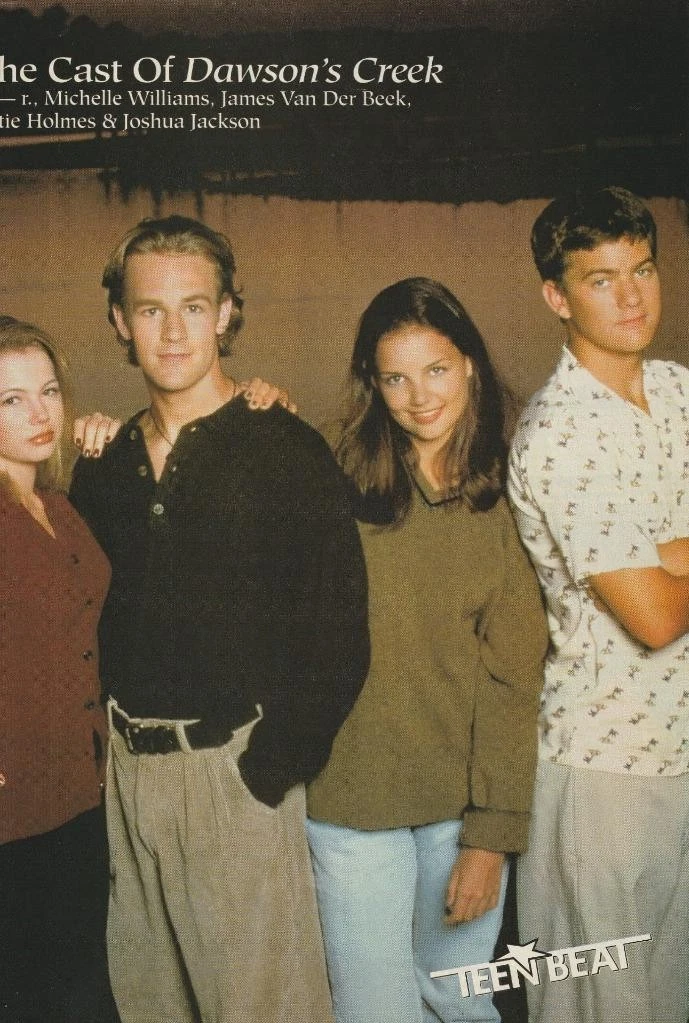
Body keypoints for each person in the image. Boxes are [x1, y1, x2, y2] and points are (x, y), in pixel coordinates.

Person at [68, 214, 370, 1023]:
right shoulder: (104, 466)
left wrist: (267, 770)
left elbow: (338, 631)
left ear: (227, 313)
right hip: (127, 779)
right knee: (149, 1005)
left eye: (194, 307)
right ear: (119, 321)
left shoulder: (284, 449)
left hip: (235, 774)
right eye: (151, 309)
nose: (173, 332)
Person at [304, 277, 547, 1023]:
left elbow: (514, 679)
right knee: (374, 1012)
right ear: (372, 385)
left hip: (458, 811)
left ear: (469, 363)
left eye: (436, 369)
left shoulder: (512, 490)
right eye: (395, 378)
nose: (418, 397)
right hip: (351, 800)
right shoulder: (331, 471)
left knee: (461, 1000)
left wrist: (490, 838)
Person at [508, 186, 689, 1023]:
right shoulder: (559, 433)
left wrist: (656, 558)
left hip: (680, 751)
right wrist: (652, 569)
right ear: (556, 296)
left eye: (641, 269)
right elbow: (653, 615)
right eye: (600, 279)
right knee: (598, 1008)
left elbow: (659, 584)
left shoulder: (678, 390)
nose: (630, 296)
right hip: (603, 766)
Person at [0, 317, 118, 1022]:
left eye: (47, 391)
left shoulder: (59, 505)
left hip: (79, 785)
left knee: (80, 987)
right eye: (10, 399)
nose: (39, 412)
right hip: (12, 804)